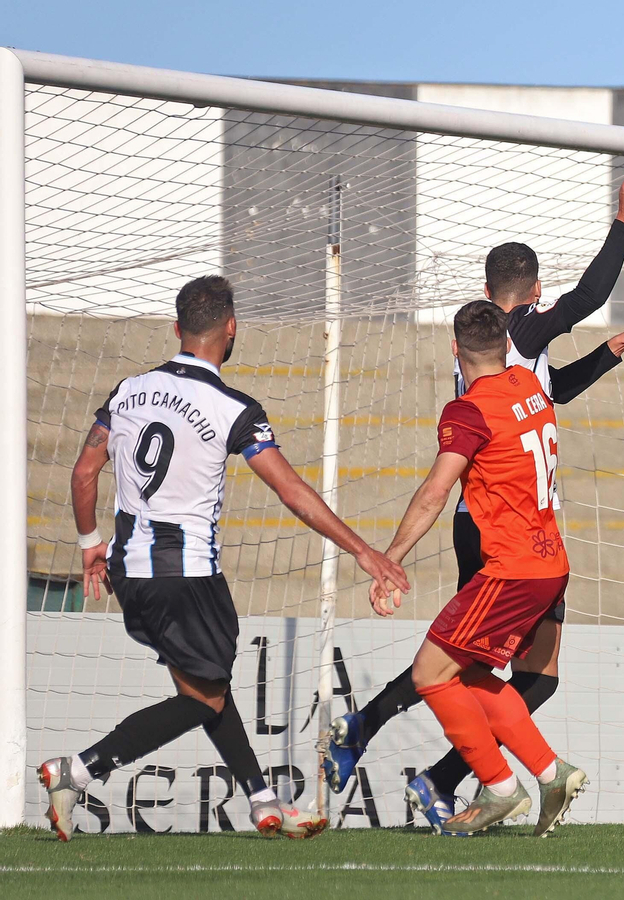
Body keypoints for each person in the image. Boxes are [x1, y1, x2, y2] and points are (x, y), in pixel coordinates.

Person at [324, 172, 624, 831]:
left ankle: (443, 777)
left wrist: (611, 350)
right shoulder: (521, 333)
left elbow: (553, 392)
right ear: (532, 296)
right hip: (493, 529)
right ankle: (390, 743)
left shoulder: (505, 354)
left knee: (532, 678)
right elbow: (591, 295)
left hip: (530, 528)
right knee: (465, 667)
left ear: (487, 293)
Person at [36, 275, 409, 842]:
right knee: (203, 696)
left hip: (127, 571)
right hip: (186, 573)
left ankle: (262, 802)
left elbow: (84, 472)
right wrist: (364, 551)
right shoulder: (235, 408)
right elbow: (292, 493)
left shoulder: (127, 390)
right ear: (231, 327)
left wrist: (91, 545)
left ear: (176, 327)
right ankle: (77, 771)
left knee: (205, 686)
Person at [367, 300, 587, 836]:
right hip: (549, 563)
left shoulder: (467, 410)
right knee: (469, 674)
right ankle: (552, 773)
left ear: (454, 348)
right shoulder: (530, 387)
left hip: (511, 569)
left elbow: (435, 492)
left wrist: (389, 557)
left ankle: (500, 788)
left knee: (429, 674)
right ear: (508, 345)